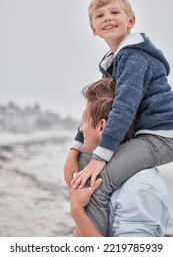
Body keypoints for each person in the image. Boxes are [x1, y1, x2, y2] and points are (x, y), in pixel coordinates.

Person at [64, 0, 173, 235]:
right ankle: (80, 233)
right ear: (93, 28)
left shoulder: (134, 57)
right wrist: (75, 149)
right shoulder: (116, 60)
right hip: (145, 135)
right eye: (99, 15)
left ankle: (94, 242)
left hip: (161, 137)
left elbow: (124, 108)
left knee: (95, 183)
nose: (107, 18)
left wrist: (100, 158)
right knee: (85, 166)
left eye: (115, 12)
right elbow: (98, 107)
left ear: (131, 21)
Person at [69, 77, 170, 237]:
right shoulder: (100, 173)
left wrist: (78, 213)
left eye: (85, 122)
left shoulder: (140, 188)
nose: (81, 130)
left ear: (102, 126)